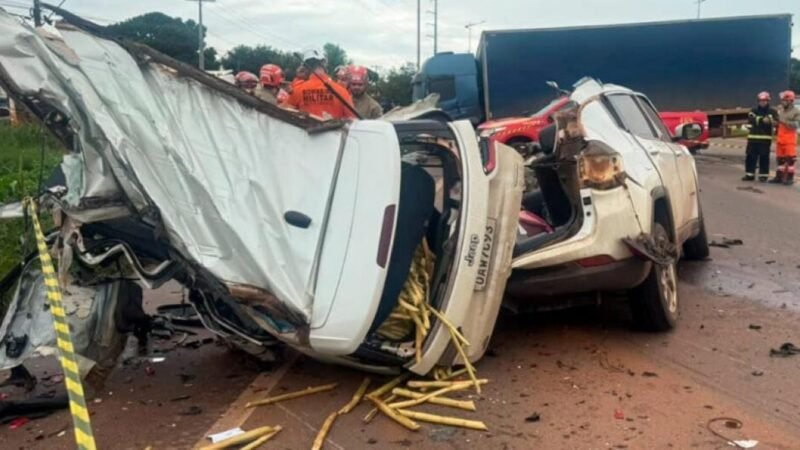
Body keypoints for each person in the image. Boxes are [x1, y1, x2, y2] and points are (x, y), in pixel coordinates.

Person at [287, 49, 356, 120]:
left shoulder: (298, 89)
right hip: (333, 127)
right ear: (324, 63)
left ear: (305, 66)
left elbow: (284, 115)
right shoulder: (342, 92)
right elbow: (353, 121)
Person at [742, 92, 778, 181]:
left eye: (764, 100)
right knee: (750, 157)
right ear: (758, 101)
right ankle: (749, 174)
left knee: (764, 157)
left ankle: (763, 175)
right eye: (761, 100)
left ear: (768, 101)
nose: (762, 102)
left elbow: (776, 122)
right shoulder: (753, 110)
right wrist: (763, 120)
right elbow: (751, 119)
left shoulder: (773, 111)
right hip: (753, 138)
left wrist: (771, 122)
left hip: (765, 139)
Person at [771, 90, 800, 185]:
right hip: (780, 139)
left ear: (790, 101)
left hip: (789, 140)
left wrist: (784, 121)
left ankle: (790, 178)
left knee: (790, 160)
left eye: (784, 100)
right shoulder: (782, 111)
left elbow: (796, 125)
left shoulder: (796, 112)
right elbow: (779, 123)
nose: (782, 102)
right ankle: (779, 177)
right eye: (782, 100)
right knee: (780, 160)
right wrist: (774, 123)